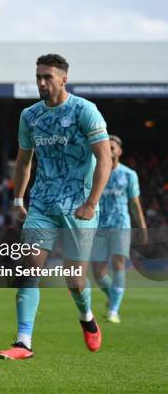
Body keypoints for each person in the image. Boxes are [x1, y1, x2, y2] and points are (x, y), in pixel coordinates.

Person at [0, 54, 112, 360]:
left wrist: (91, 202)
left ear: (63, 79)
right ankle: (23, 343)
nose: (42, 82)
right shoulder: (29, 116)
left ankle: (87, 317)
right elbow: (24, 161)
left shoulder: (85, 111)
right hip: (42, 205)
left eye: (48, 77)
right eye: (38, 77)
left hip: (78, 206)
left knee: (74, 280)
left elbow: (105, 159)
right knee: (28, 267)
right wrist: (19, 199)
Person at [91, 135, 147, 323]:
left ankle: (114, 311)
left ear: (120, 151)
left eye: (113, 147)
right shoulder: (96, 172)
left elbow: (135, 203)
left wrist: (142, 227)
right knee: (98, 272)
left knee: (118, 264)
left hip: (121, 225)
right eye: (108, 147)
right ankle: (113, 296)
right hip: (99, 227)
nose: (110, 150)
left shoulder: (129, 175)